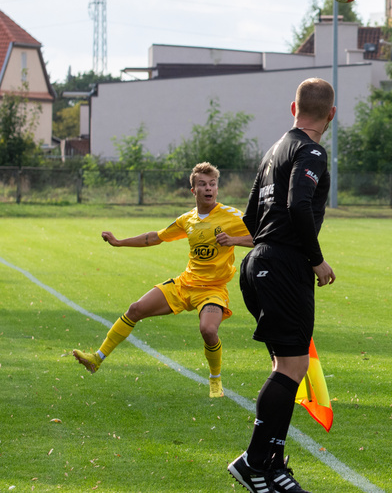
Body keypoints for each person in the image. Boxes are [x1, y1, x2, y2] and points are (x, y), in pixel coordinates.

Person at [227, 78, 336, 493]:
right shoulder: (310, 150)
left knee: (287, 367)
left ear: (294, 108)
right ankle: (254, 462)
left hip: (258, 264)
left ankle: (270, 464)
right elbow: (297, 204)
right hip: (285, 266)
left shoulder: (274, 151)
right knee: (292, 367)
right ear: (331, 114)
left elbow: (251, 219)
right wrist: (315, 258)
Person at [72, 162, 253, 399]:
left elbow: (264, 236)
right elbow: (154, 238)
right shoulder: (187, 219)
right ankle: (97, 358)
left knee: (208, 330)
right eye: (202, 184)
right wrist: (119, 242)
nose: (208, 188)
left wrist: (234, 240)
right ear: (193, 190)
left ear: (217, 188)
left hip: (213, 289)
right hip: (184, 285)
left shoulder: (233, 216)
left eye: (212, 184)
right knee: (135, 309)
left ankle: (215, 379)